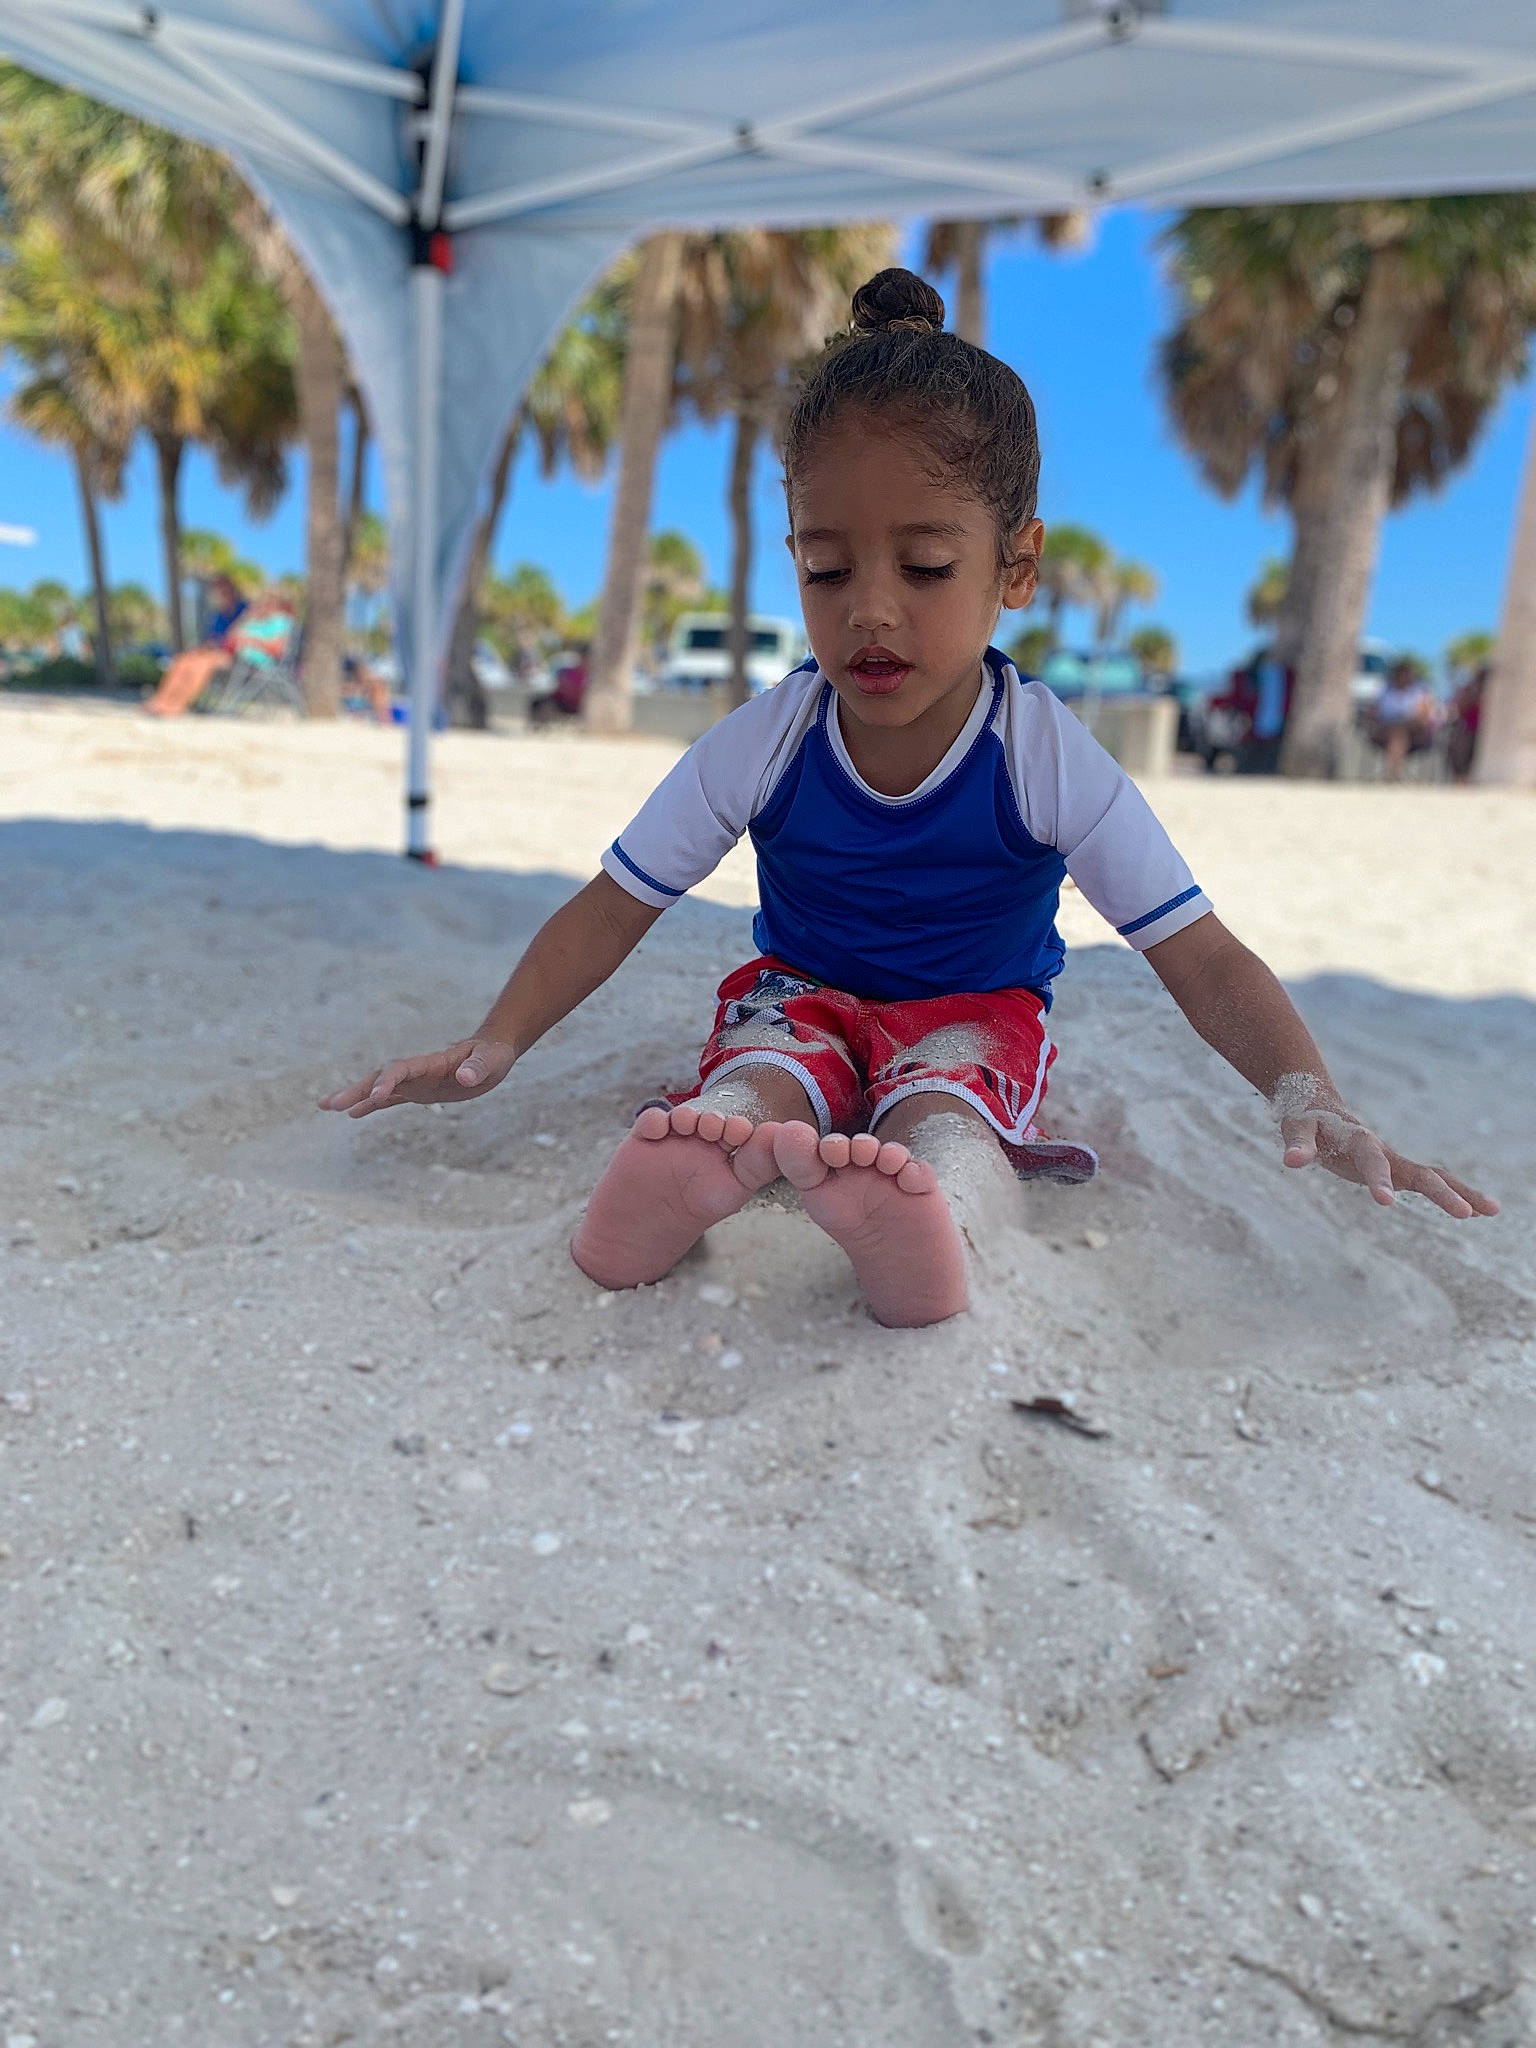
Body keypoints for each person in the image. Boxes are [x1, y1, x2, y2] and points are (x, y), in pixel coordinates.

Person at [320, 269, 1496, 1328]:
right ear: (794, 552)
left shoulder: (1041, 749)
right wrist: (496, 1043)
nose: (868, 608)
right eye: (826, 568)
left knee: (950, 1114)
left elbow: (1199, 953)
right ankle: (691, 1179)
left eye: (925, 568)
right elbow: (614, 903)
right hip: (803, 994)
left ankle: (932, 1222)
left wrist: (1311, 1091)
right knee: (753, 1076)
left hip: (972, 1009)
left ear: (1016, 568)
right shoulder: (771, 734)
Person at [143, 573, 248, 716]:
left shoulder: (245, 610)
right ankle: (161, 700)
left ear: (231, 588)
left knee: (201, 665)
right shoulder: (218, 615)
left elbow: (239, 637)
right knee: (183, 660)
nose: (220, 594)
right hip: (214, 651)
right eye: (217, 590)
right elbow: (212, 638)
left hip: (234, 655)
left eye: (223, 589)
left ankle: (178, 704)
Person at [1369, 657, 1439, 782]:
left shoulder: (1419, 690)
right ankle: (1395, 774)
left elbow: (1425, 714)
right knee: (1398, 734)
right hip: (1386, 729)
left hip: (1415, 731)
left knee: (1399, 732)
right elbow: (1374, 711)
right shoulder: (1385, 689)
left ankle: (1392, 774)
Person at [528, 642, 589, 728]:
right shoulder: (569, 671)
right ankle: (538, 728)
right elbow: (559, 686)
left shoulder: (590, 675)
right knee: (538, 703)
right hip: (562, 700)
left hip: (577, 705)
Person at [1446, 662, 1487, 784]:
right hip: (1469, 730)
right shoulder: (1469, 691)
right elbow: (1459, 708)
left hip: (1485, 735)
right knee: (1458, 742)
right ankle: (1460, 778)